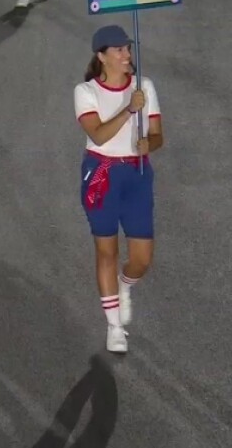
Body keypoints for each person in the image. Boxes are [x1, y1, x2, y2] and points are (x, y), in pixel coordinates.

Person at [74, 25, 163, 354]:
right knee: (106, 251)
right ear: (102, 56)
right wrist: (129, 109)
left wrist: (149, 144)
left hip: (137, 174)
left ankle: (124, 286)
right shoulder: (85, 91)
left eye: (128, 48)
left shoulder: (145, 86)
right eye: (119, 50)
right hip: (101, 174)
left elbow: (158, 135)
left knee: (142, 259)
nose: (127, 55)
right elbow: (98, 135)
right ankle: (114, 327)